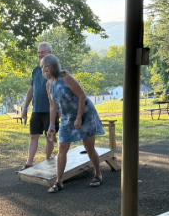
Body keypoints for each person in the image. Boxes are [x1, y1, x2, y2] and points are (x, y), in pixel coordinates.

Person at [41, 54, 105, 193]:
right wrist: (52, 126)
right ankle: (59, 182)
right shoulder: (48, 84)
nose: (44, 68)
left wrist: (79, 117)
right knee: (62, 148)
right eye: (43, 66)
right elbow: (53, 106)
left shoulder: (65, 78)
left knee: (89, 147)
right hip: (66, 117)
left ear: (53, 66)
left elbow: (82, 95)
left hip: (85, 114)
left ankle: (98, 174)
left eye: (47, 66)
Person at [18, 42, 59, 172]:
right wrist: (25, 108)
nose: (40, 55)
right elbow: (31, 90)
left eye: (43, 52)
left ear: (49, 53)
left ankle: (48, 161)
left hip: (50, 110)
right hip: (36, 109)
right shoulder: (36, 70)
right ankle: (29, 164)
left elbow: (60, 90)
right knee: (33, 136)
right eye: (39, 53)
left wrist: (60, 110)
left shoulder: (57, 69)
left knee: (49, 136)